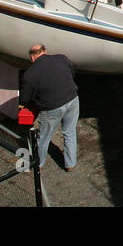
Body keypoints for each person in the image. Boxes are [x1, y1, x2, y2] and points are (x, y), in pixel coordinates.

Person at [20, 43, 79, 172]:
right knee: (69, 132)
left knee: (43, 138)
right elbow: (72, 73)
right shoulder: (62, 58)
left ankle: (38, 165)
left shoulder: (30, 75)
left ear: (32, 57)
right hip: (72, 99)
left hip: (51, 108)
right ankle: (70, 164)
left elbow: (25, 99)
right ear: (45, 51)